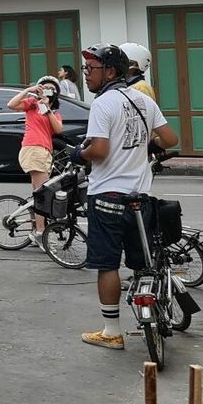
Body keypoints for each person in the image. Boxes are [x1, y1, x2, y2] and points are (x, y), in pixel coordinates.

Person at [71, 44, 180, 350]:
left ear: (110, 72)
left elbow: (99, 150)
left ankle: (112, 331)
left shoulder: (103, 103)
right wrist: (147, 145)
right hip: (140, 198)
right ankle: (154, 312)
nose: (86, 75)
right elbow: (170, 138)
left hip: (107, 197)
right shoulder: (143, 100)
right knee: (143, 263)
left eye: (91, 69)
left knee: (107, 265)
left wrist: (79, 153)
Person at [6, 76, 65, 248]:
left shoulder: (53, 113)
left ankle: (36, 229)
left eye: (51, 89)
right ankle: (40, 232)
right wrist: (28, 91)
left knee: (40, 193)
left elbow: (58, 129)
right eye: (44, 87)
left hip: (45, 152)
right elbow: (11, 105)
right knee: (43, 195)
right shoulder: (31, 105)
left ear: (55, 94)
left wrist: (47, 108)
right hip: (33, 149)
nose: (47, 91)